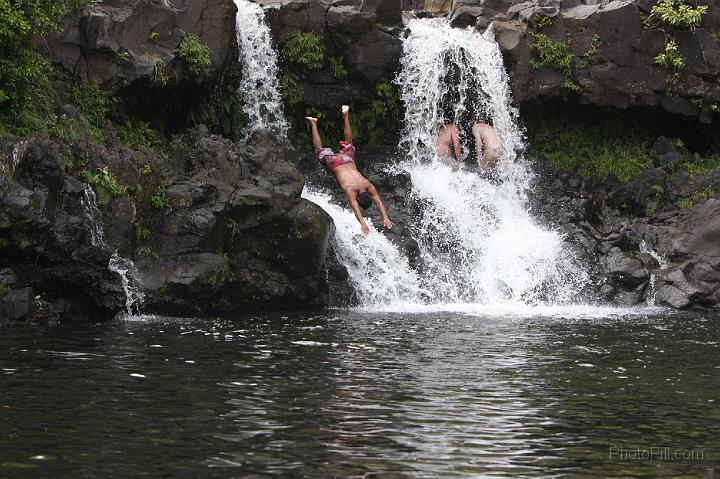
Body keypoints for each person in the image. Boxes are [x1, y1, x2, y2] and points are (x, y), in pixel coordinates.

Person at [306, 105, 395, 235]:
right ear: (358, 199)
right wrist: (363, 224)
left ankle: (346, 115)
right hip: (335, 163)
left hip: (347, 160)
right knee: (319, 150)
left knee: (349, 142)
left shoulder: (368, 185)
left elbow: (378, 201)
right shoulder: (351, 190)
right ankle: (313, 123)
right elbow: (355, 209)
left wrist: (385, 217)